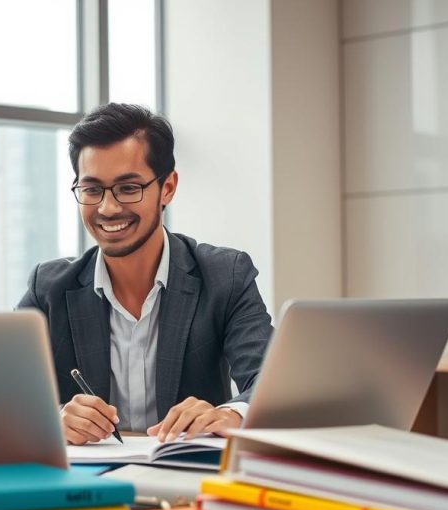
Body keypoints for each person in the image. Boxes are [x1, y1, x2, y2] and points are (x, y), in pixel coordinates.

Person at [18, 103, 273, 445]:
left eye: (128, 188)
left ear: (167, 188)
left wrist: (229, 414)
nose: (108, 208)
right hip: (88, 484)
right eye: (92, 190)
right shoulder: (47, 288)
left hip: (186, 477)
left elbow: (270, 385)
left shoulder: (226, 276)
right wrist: (51, 417)